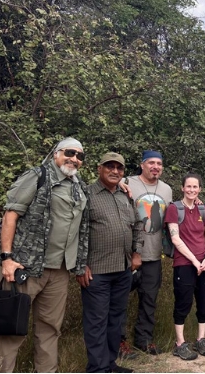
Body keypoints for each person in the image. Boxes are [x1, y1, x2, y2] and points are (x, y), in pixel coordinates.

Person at [0, 137, 89, 373]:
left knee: (49, 329)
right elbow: (10, 215)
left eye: (80, 156)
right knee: (11, 328)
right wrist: (6, 258)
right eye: (70, 153)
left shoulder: (79, 186)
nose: (74, 159)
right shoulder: (37, 176)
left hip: (60, 270)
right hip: (26, 267)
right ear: (57, 153)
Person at [78, 153, 142, 373]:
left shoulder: (125, 195)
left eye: (119, 168)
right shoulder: (87, 194)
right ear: (99, 169)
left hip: (123, 270)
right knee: (96, 322)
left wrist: (136, 253)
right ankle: (97, 368)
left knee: (115, 320)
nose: (115, 171)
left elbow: (137, 225)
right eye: (110, 167)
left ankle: (110, 363)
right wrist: (80, 264)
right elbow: (76, 231)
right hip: (96, 272)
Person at [121, 150, 172, 357]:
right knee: (120, 300)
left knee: (149, 300)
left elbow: (172, 215)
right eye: (151, 162)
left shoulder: (167, 189)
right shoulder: (126, 182)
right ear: (142, 165)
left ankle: (144, 340)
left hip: (153, 254)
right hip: (126, 255)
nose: (155, 167)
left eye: (159, 163)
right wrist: (119, 185)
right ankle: (119, 342)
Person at [166, 173, 205, 361]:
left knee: (203, 301)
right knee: (183, 302)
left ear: (200, 189)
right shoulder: (174, 209)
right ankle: (180, 343)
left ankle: (201, 339)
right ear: (182, 188)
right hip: (184, 263)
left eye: (195, 187)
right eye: (189, 187)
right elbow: (175, 238)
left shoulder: (203, 210)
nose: (192, 190)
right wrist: (195, 261)